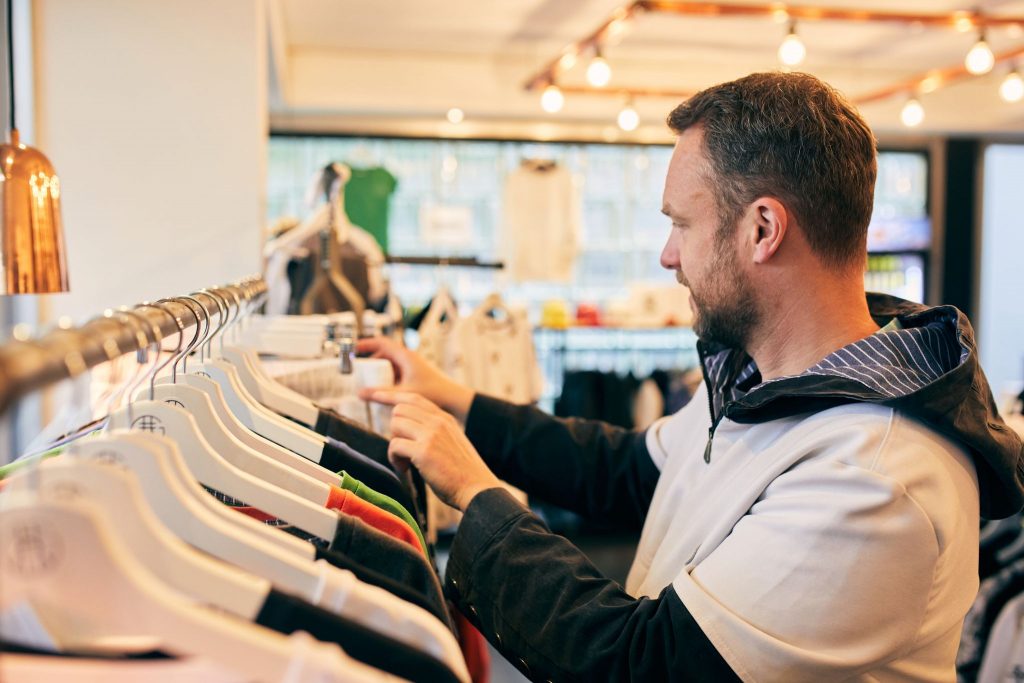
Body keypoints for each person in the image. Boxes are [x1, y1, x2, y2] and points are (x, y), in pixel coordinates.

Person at [357, 72, 1024, 682]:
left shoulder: (876, 476)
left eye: (682, 223)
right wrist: (454, 398)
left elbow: (643, 664)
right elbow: (624, 471)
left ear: (762, 228)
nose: (667, 254)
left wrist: (476, 495)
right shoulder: (763, 379)